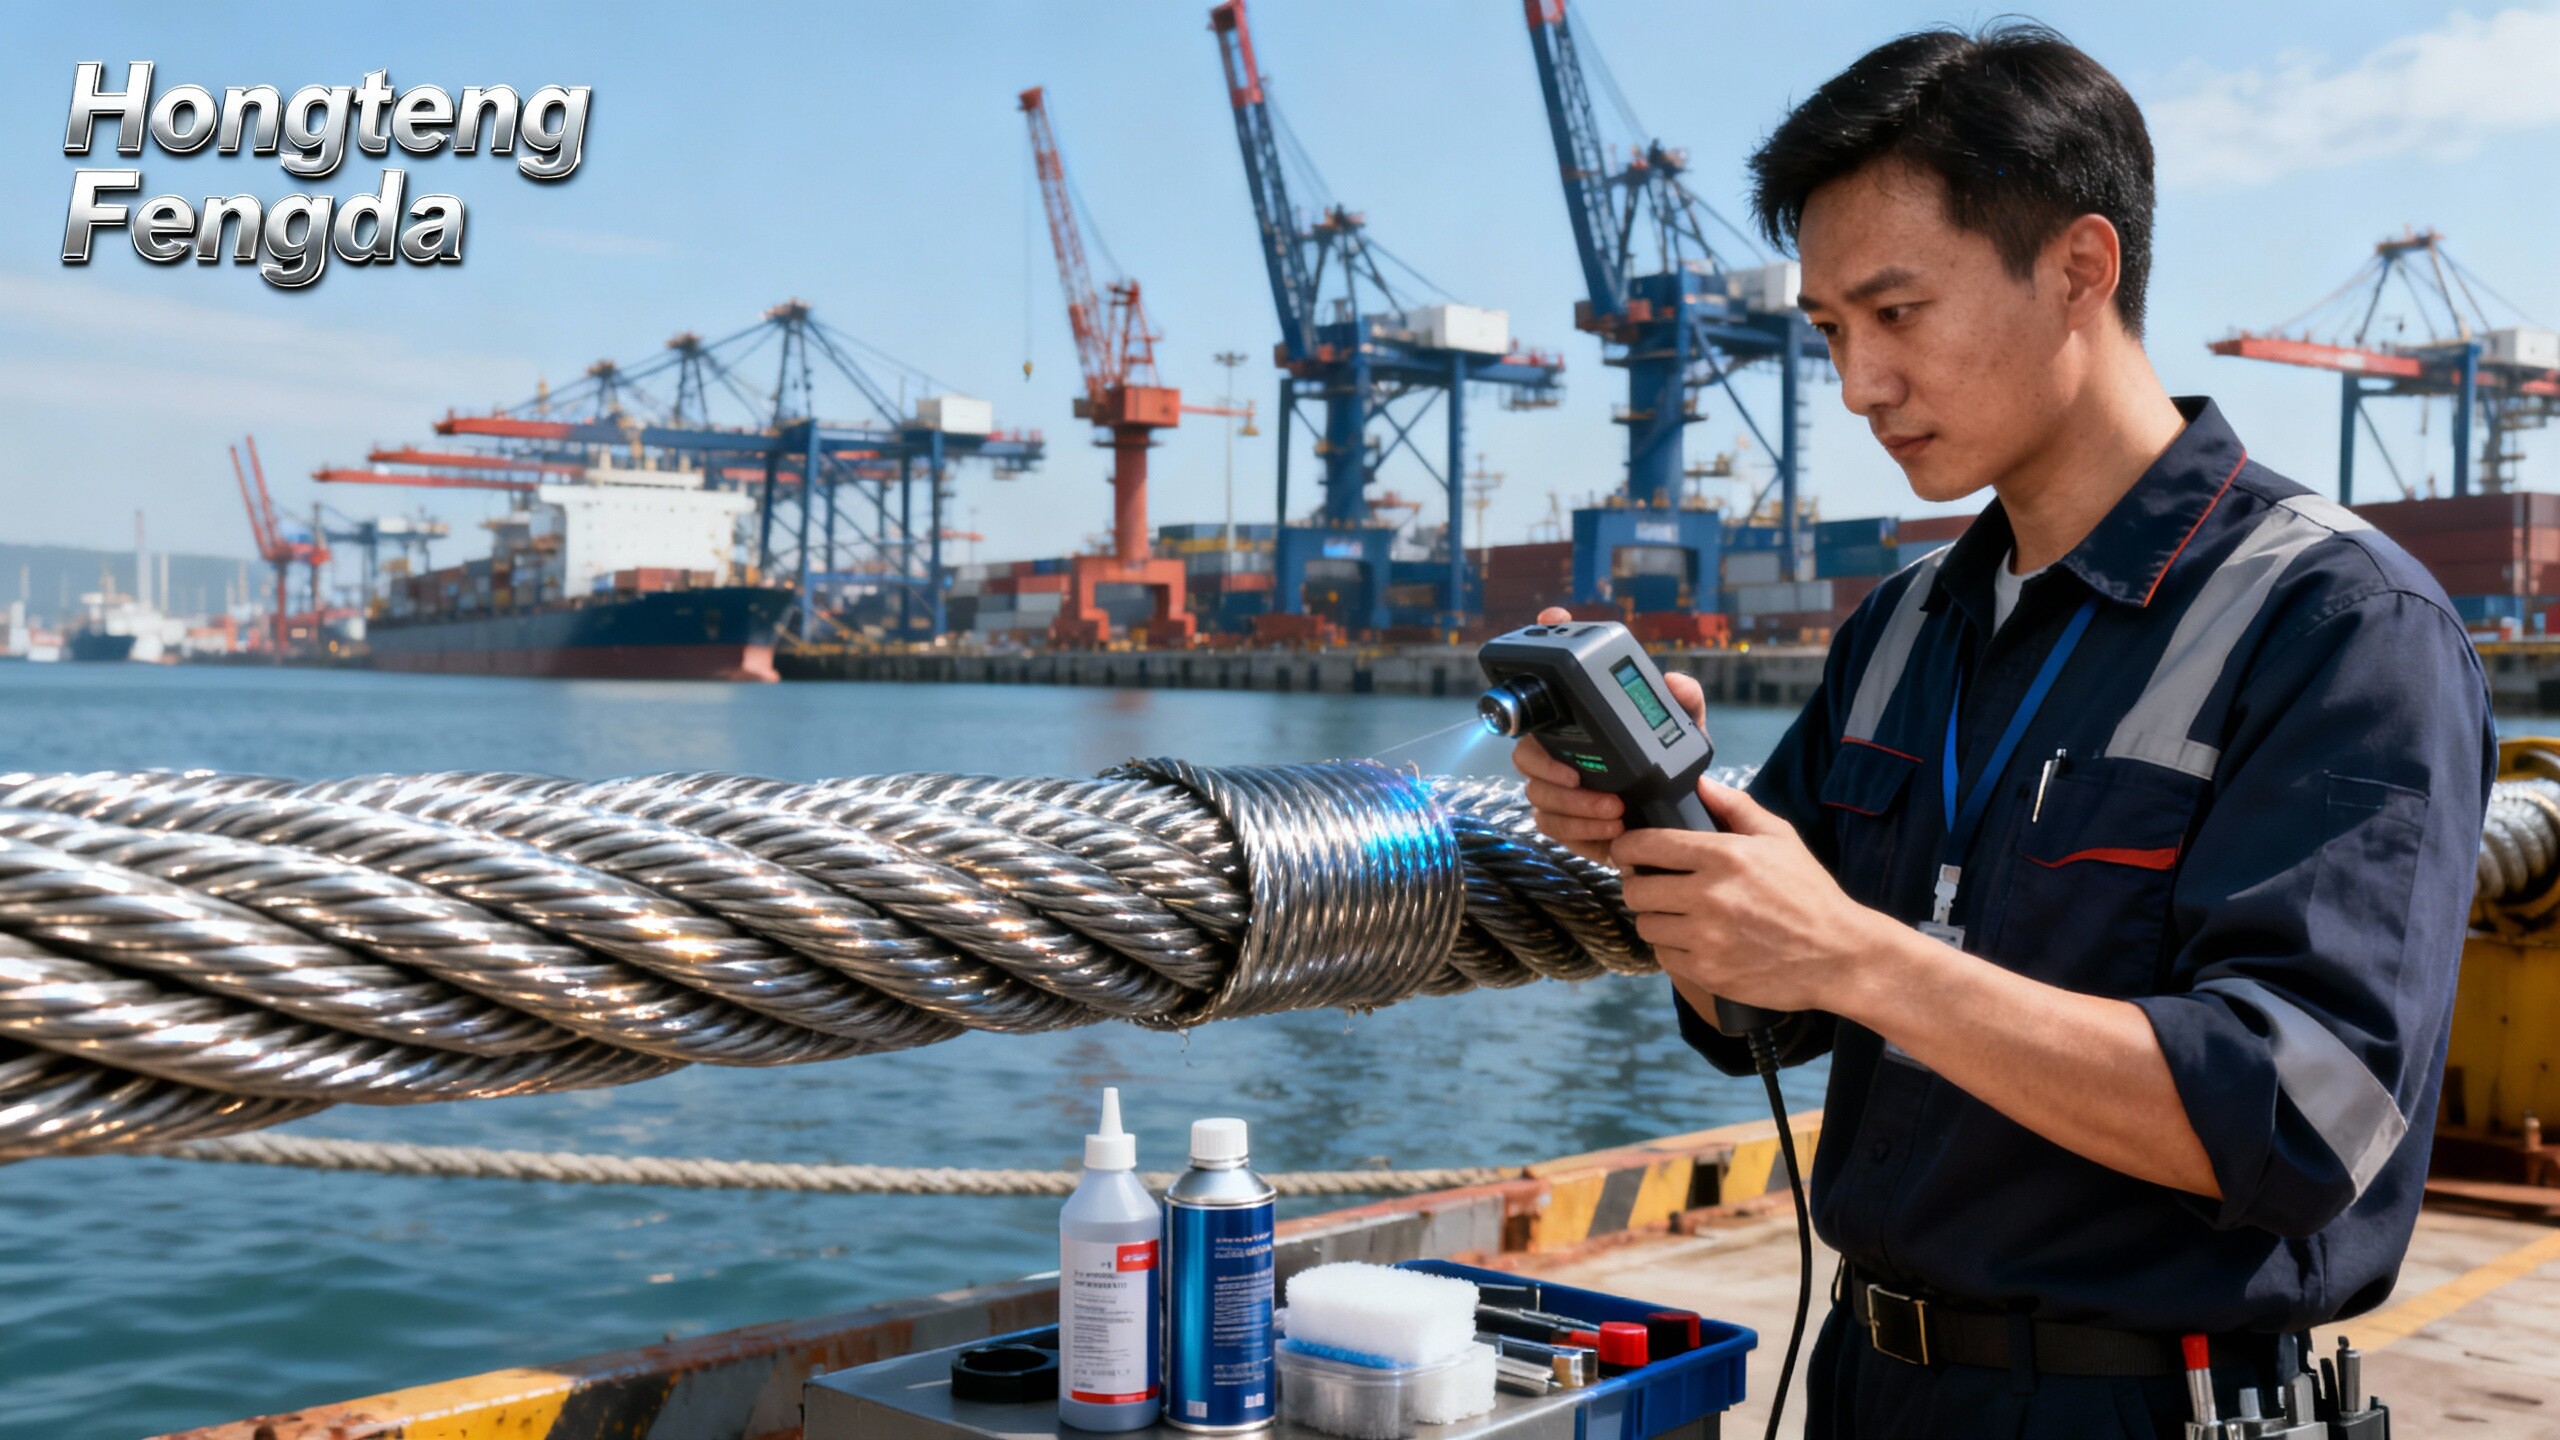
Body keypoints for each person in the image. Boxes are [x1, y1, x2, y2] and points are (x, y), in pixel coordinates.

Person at [1510, 21, 2494, 1439]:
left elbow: (2305, 1116)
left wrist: (1860, 955)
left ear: (2080, 269)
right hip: (1868, 1383)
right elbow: (1765, 1016)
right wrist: (1667, 831)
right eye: (1832, 330)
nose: (1858, 385)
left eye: (1896, 313)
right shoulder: (1903, 623)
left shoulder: (2340, 623)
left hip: (2155, 1409)